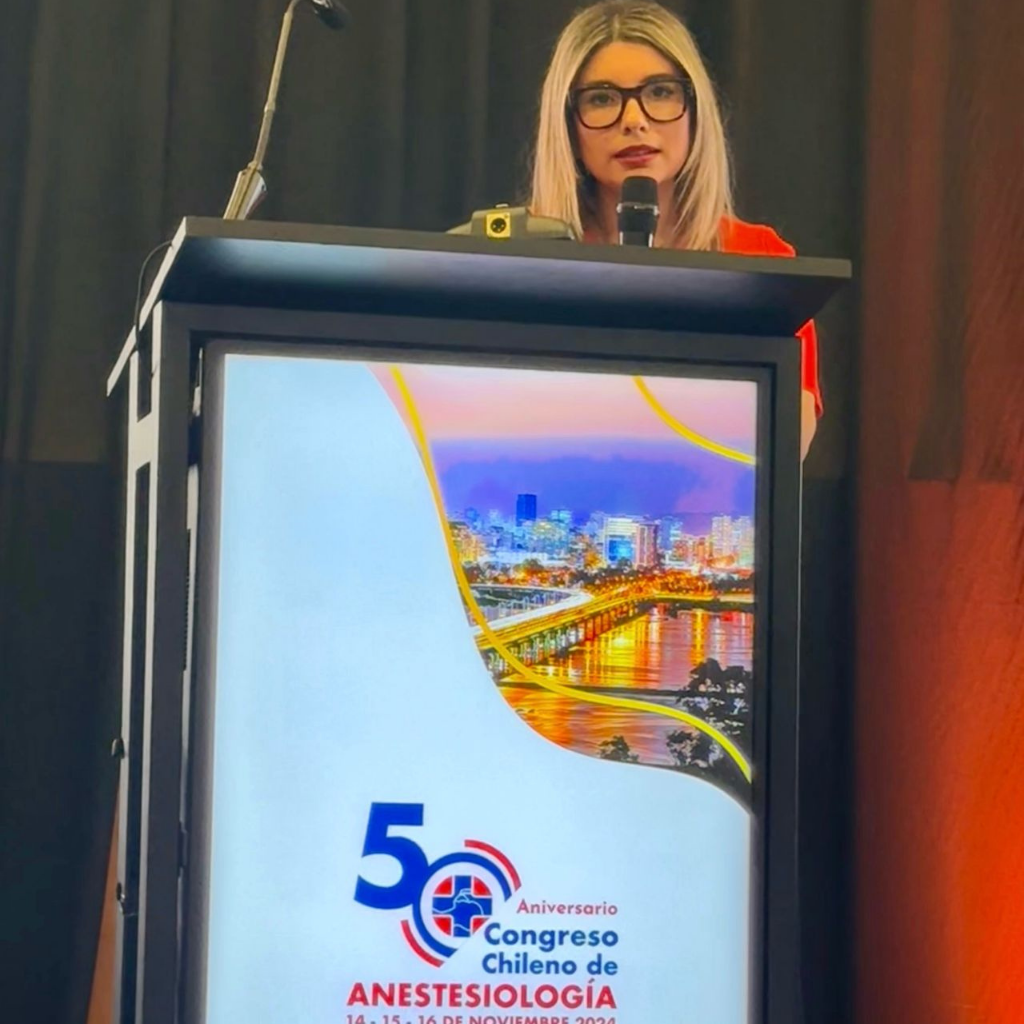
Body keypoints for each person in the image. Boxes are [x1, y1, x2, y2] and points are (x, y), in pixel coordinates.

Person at [529, 0, 820, 458]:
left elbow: (785, 444)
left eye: (660, 92)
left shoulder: (759, 259)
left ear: (694, 110)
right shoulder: (526, 254)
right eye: (602, 98)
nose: (634, 120)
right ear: (567, 124)